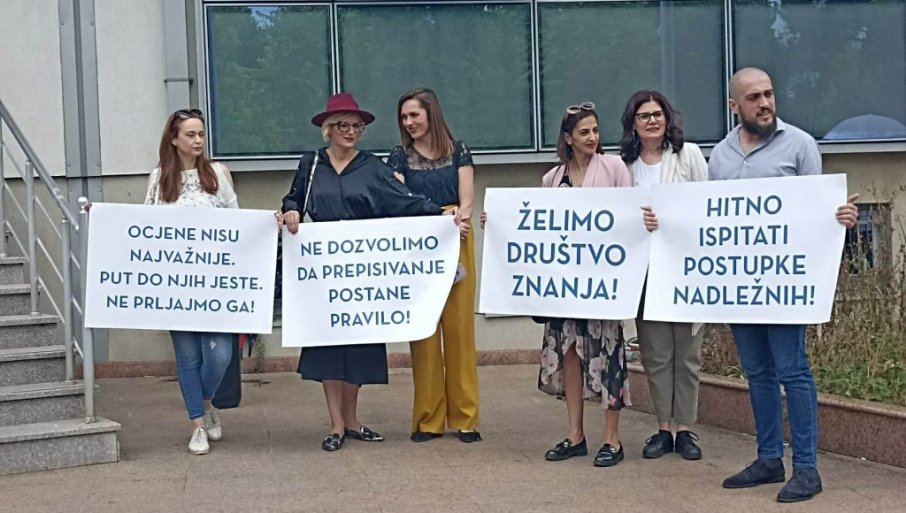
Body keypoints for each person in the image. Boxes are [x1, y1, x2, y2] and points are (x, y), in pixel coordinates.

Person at [705, 67, 859, 502]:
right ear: (734, 106)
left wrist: (841, 219)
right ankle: (769, 459)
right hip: (740, 284)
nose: (765, 103)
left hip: (785, 283)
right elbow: (710, 217)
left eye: (769, 94)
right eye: (754, 97)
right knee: (757, 372)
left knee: (793, 370)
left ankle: (806, 469)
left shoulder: (801, 145)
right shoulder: (719, 156)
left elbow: (818, 210)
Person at [280, 92, 446, 452]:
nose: (351, 131)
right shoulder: (311, 163)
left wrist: (441, 216)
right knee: (327, 344)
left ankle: (352, 420)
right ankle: (336, 424)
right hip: (323, 271)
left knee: (357, 344)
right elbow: (294, 198)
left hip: (362, 273)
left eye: (357, 126)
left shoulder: (372, 167)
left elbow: (404, 201)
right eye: (343, 125)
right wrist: (291, 210)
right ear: (328, 128)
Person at [535, 102, 632, 467]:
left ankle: (612, 438)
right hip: (565, 285)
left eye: (595, 130)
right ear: (568, 138)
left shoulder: (614, 167)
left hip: (602, 281)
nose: (592, 137)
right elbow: (539, 227)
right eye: (584, 132)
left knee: (608, 353)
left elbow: (628, 217)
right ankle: (575, 435)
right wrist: (498, 220)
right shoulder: (552, 179)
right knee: (570, 354)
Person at [386, 88, 481, 444]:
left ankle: (465, 418)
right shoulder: (399, 157)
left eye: (415, 115)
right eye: (404, 117)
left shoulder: (459, 151)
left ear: (431, 114)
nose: (409, 122)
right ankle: (428, 419)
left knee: (459, 331)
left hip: (456, 241)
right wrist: (435, 217)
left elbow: (467, 199)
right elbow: (400, 201)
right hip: (418, 247)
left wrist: (459, 218)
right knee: (424, 331)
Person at [619, 90, 708, 461]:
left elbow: (706, 205)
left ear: (668, 119)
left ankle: (685, 430)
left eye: (657, 114)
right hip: (645, 271)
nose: (652, 121)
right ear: (633, 124)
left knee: (687, 353)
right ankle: (663, 429)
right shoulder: (623, 166)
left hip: (685, 269)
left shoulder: (688, 155)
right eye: (644, 116)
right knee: (656, 353)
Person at [144, 108, 238, 456]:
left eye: (201, 134)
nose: (198, 140)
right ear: (174, 139)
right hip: (177, 285)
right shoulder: (159, 178)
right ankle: (197, 424)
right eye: (190, 134)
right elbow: (146, 227)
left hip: (215, 284)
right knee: (187, 358)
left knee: (220, 356)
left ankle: (207, 402)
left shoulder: (218, 173)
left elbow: (237, 222)